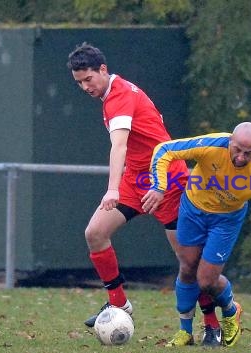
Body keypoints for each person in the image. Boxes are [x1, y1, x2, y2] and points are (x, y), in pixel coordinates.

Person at [67, 42, 189, 327]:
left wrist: (112, 189)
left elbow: (119, 146)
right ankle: (119, 303)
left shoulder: (119, 96)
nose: (85, 87)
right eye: (79, 82)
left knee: (189, 263)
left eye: (89, 79)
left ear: (103, 69)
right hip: (137, 179)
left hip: (167, 179)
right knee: (95, 233)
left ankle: (219, 316)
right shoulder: (112, 94)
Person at [141, 122, 251, 348]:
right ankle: (185, 331)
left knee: (206, 280)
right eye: (237, 150)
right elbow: (165, 150)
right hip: (192, 210)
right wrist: (159, 186)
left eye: (249, 153)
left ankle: (231, 310)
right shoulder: (212, 145)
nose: (241, 157)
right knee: (187, 268)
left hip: (226, 221)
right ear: (230, 140)